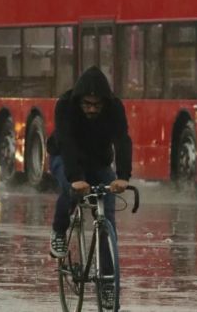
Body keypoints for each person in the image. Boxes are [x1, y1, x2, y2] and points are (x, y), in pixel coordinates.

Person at [48, 66, 132, 308]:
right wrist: (75, 177)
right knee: (70, 189)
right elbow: (66, 140)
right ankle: (59, 231)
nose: (92, 109)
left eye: (97, 105)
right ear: (79, 100)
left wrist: (123, 176)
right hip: (65, 157)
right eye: (87, 104)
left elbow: (122, 140)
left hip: (99, 162)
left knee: (109, 225)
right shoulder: (65, 105)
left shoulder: (115, 107)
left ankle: (107, 285)